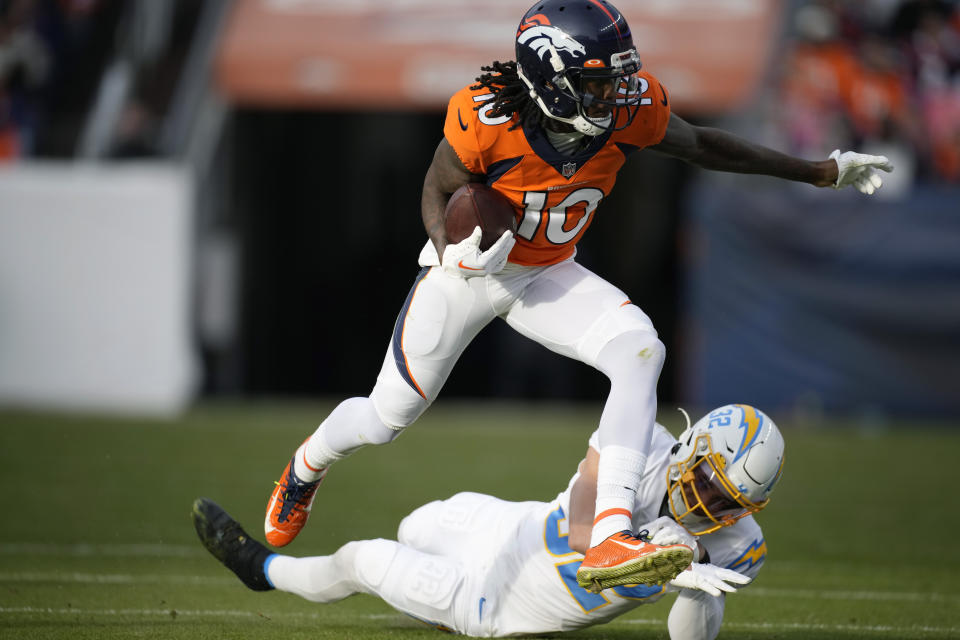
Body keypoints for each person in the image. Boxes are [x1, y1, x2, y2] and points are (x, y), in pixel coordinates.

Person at [263, 0, 889, 590]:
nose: (613, 92)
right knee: (384, 419)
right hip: (470, 274)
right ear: (550, 77)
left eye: (615, 78)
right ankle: (306, 467)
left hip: (546, 272)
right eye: (595, 81)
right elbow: (437, 187)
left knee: (640, 349)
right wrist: (450, 247)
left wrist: (818, 171)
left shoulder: (628, 111)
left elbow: (703, 144)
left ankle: (612, 534)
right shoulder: (487, 118)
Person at [196, 404, 784, 639]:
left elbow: (700, 605)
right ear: (691, 446)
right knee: (414, 525)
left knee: (362, 558)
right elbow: (584, 531)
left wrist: (689, 571)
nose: (711, 505)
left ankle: (261, 568)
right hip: (519, 527)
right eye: (708, 481)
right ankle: (426, 610)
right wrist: (651, 553)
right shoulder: (642, 440)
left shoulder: (736, 546)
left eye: (729, 501)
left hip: (500, 602)